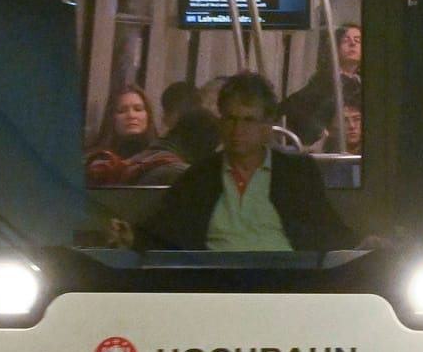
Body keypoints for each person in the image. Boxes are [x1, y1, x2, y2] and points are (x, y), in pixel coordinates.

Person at [120, 72, 356, 252]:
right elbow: (164, 231)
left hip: (286, 289)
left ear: (267, 126)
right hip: (217, 291)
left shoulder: (297, 172)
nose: (238, 129)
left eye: (248, 120)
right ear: (220, 122)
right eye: (231, 119)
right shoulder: (200, 176)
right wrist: (130, 237)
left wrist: (365, 247)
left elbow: (329, 231)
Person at [283, 21, 363, 151]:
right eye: (345, 40)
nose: (352, 44)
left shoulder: (362, 82)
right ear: (335, 48)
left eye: (358, 40)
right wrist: (320, 130)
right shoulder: (322, 82)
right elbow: (293, 109)